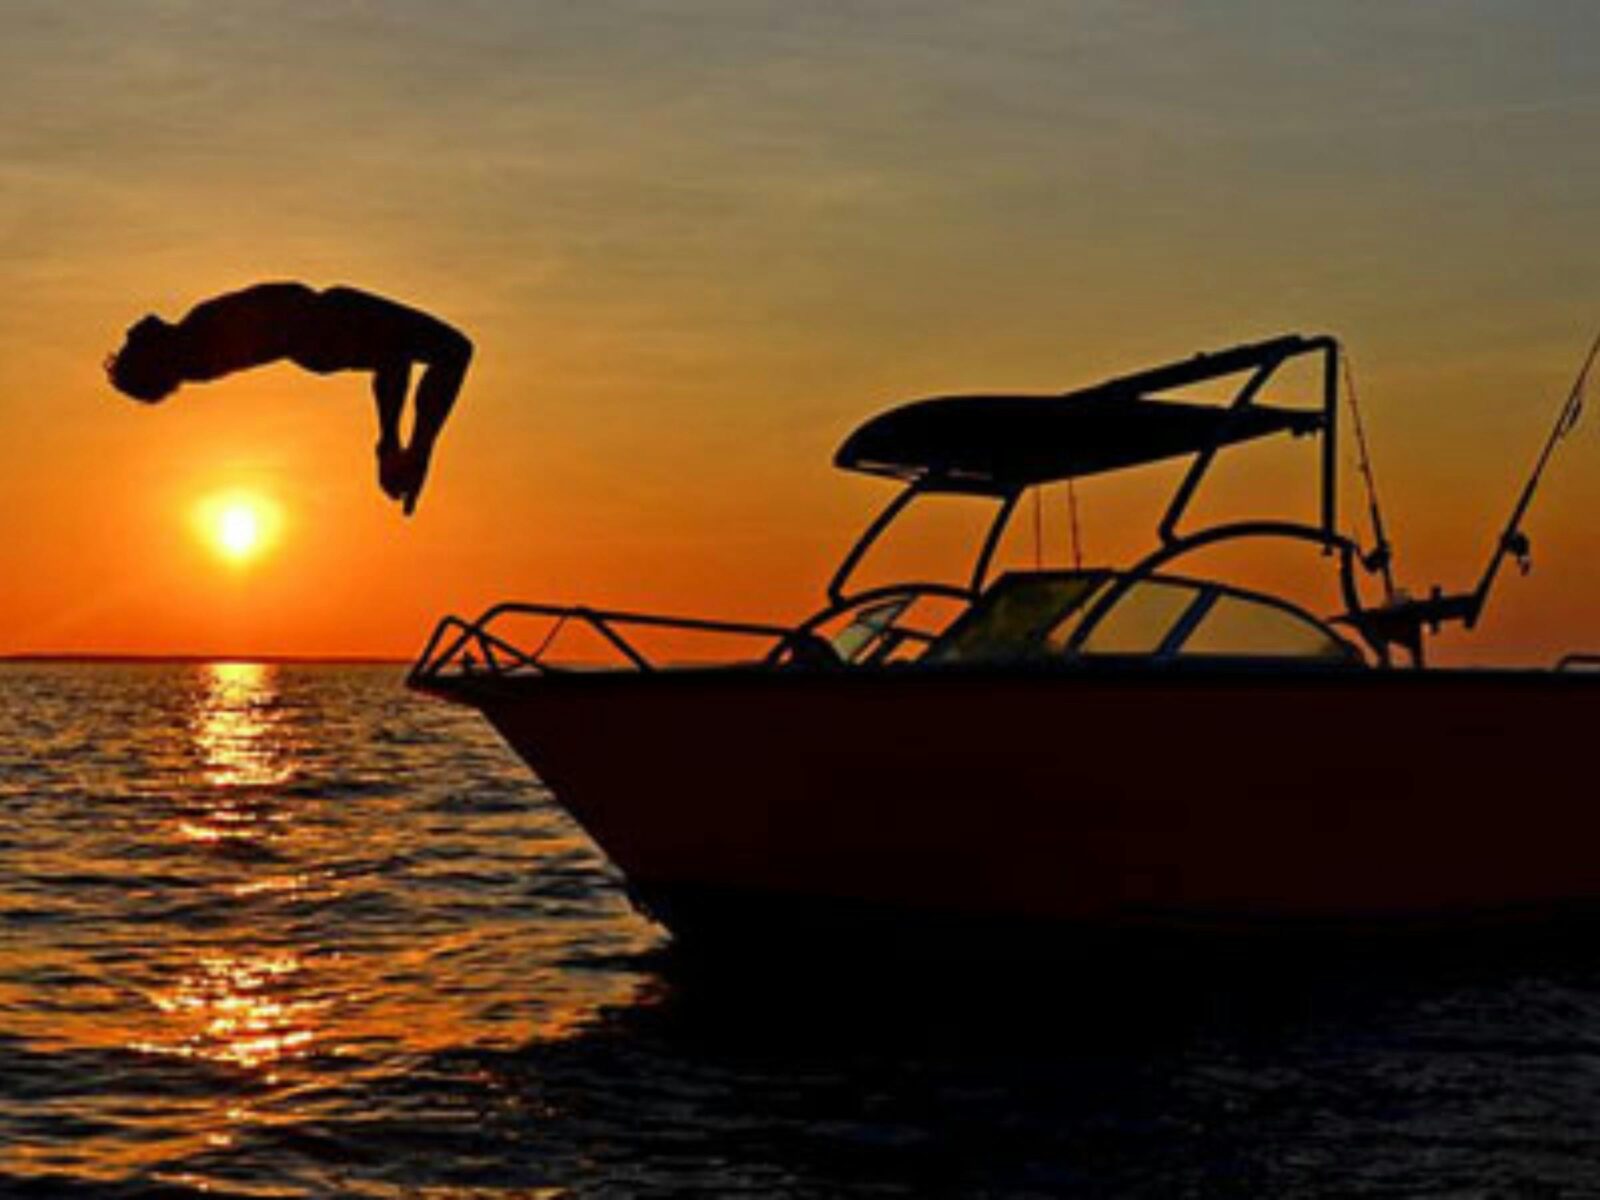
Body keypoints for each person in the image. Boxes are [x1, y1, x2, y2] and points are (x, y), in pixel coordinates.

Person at [106, 282, 473, 515]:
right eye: (132, 343)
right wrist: (142, 343)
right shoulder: (194, 347)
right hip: (324, 325)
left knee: (399, 355)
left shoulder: (192, 339)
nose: (132, 329)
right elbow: (160, 340)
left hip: (322, 330)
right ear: (155, 358)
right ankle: (408, 449)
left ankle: (396, 448)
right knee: (450, 349)